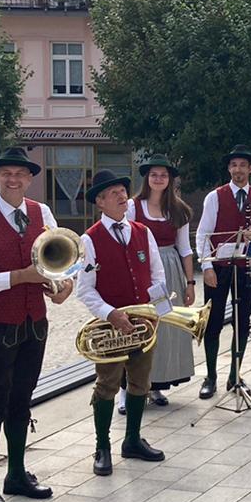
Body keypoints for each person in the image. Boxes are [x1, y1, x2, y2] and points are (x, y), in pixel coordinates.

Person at [0, 146, 74, 502]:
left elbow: (61, 261)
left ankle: (17, 474)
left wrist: (64, 285)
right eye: (7, 173)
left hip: (33, 321)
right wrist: (19, 277)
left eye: (21, 174)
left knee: (22, 398)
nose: (14, 179)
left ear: (29, 179)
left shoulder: (42, 212)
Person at [76, 170, 168, 476]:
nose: (122, 197)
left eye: (123, 191)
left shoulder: (143, 231)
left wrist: (158, 313)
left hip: (143, 324)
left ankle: (132, 440)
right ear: (100, 202)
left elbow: (157, 275)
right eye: (113, 193)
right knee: (107, 385)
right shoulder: (89, 239)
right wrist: (110, 313)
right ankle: (102, 446)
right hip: (111, 327)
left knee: (141, 382)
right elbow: (85, 289)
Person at [195, 145, 251, 397]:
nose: (237, 170)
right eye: (233, 165)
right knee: (213, 322)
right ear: (229, 169)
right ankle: (210, 376)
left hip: (246, 268)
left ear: (250, 169)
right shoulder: (215, 197)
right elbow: (203, 234)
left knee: (242, 323)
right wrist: (206, 266)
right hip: (218, 268)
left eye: (242, 165)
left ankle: (235, 375)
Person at [129, 154, 195, 412]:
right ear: (147, 178)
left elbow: (185, 248)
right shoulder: (134, 207)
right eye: (154, 175)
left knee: (164, 329)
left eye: (163, 175)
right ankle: (131, 388)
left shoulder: (178, 210)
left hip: (170, 268)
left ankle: (155, 383)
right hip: (142, 267)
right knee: (140, 326)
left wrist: (190, 282)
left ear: (170, 180)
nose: (158, 179)